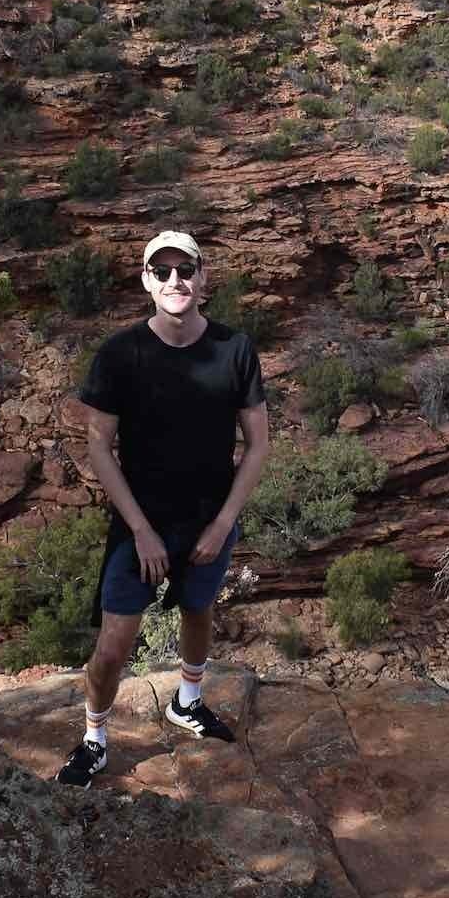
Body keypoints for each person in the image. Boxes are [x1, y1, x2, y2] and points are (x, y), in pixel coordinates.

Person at [55, 231, 270, 788]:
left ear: (202, 279)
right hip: (141, 522)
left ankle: (187, 700)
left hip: (208, 514)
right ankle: (95, 738)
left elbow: (259, 444)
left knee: (198, 610)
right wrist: (141, 531)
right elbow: (99, 447)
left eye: (185, 269)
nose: (175, 280)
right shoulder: (121, 354)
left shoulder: (235, 349)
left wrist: (223, 524)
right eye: (162, 271)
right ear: (146, 280)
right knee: (115, 642)